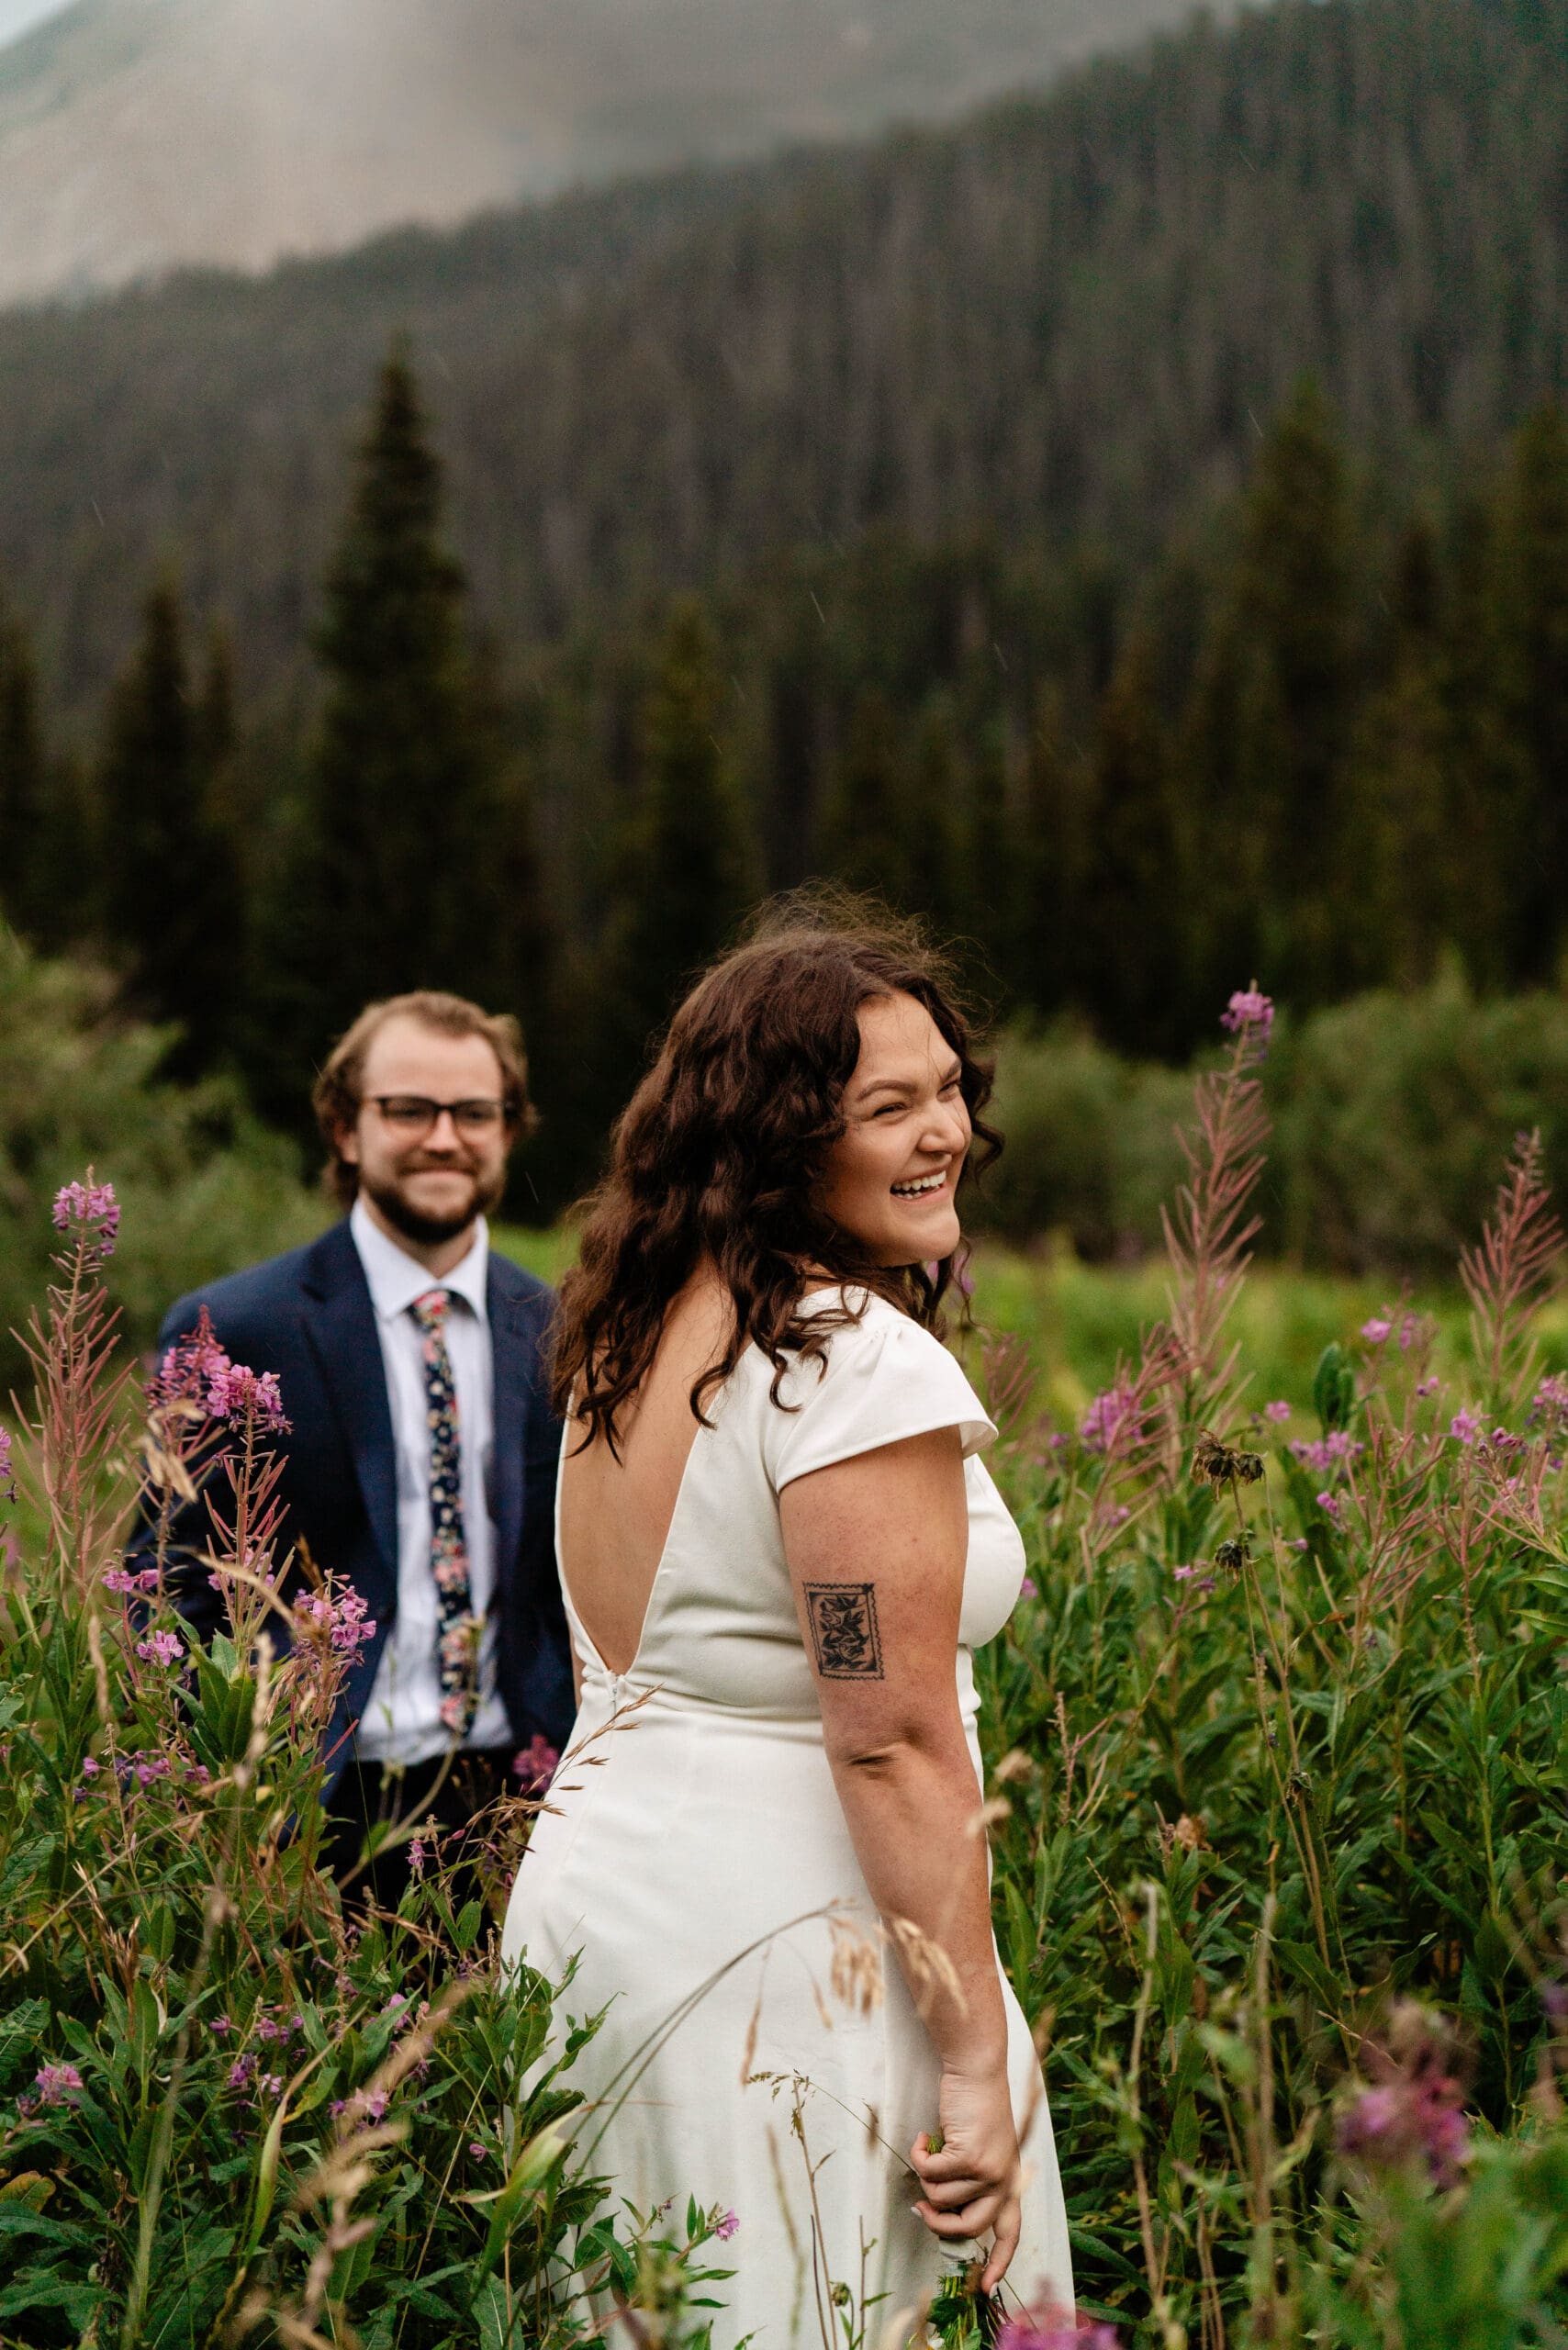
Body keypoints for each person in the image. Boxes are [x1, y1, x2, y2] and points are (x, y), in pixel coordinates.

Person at [500, 903, 1071, 2344]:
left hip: (601, 1920)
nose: (942, 1130)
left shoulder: (632, 1333)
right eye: (890, 1107)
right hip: (788, 1947)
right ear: (781, 1138)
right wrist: (967, 2058)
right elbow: (885, 1739)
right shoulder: (845, 1362)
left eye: (949, 1087)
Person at [132, 990, 574, 1907]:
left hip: (522, 1794)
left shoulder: (563, 1329)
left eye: (474, 1113)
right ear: (344, 1127)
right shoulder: (238, 1327)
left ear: (509, 1128)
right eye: (409, 1109)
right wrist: (227, 1785)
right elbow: (162, 1583)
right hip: (315, 1800)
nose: (444, 1138)